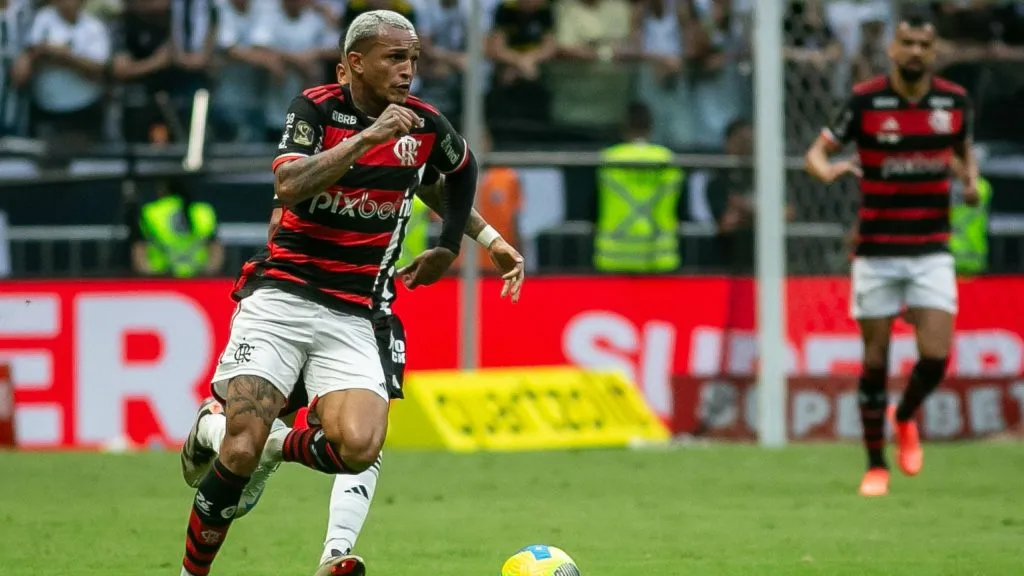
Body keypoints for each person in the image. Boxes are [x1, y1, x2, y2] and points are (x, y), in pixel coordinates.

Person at [176, 10, 497, 576]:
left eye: (414, 58)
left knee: (360, 446)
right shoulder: (315, 108)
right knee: (241, 448)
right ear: (354, 63)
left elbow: (464, 168)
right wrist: (368, 137)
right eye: (395, 58)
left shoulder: (422, 124)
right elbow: (290, 184)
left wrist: (454, 245)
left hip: (353, 312)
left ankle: (290, 473)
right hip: (282, 299)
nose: (408, 71)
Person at [804, 11, 978, 498]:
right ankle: (875, 465)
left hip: (930, 248)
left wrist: (969, 181)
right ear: (892, 49)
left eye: (925, 44)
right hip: (877, 250)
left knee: (936, 355)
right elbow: (816, 153)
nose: (916, 52)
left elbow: (963, 149)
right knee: (875, 360)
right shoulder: (865, 101)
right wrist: (830, 169)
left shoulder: (954, 101)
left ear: (935, 50)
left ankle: (905, 416)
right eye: (908, 43)